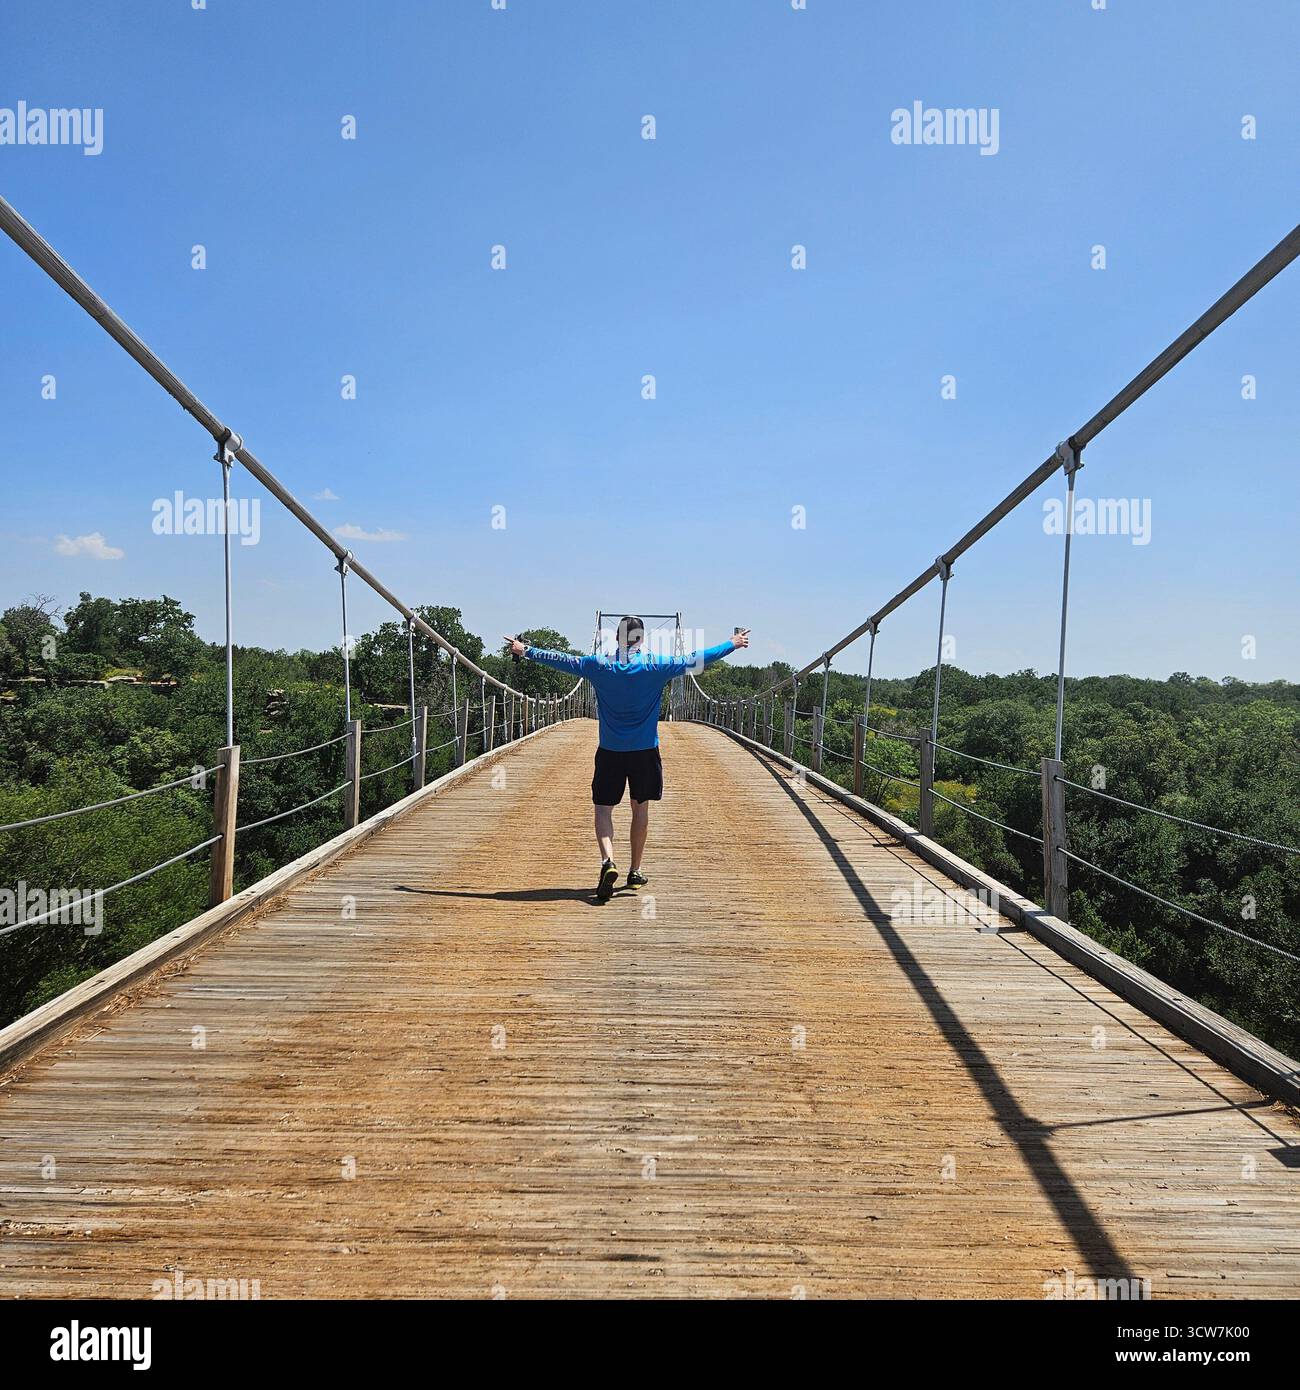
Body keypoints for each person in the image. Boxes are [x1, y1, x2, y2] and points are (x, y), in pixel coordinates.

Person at [505, 618, 749, 901]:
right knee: (640, 811)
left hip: (610, 751)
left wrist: (525, 650)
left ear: (618, 637)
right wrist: (732, 644)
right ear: (641, 639)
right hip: (645, 752)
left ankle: (608, 861)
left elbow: (562, 660)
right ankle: (635, 870)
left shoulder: (597, 665)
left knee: (603, 810)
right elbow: (698, 659)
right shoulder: (657, 666)